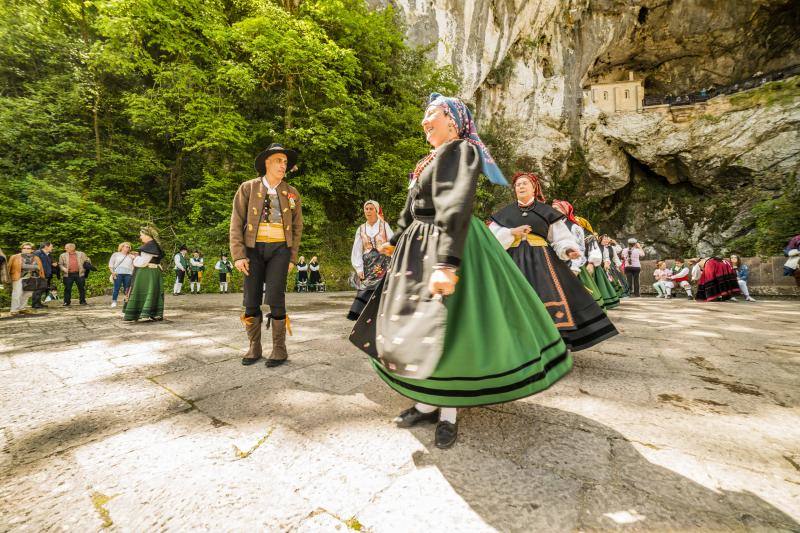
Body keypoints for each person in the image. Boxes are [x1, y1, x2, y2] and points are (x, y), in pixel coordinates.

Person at [350, 93, 572, 449]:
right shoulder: (429, 159)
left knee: (450, 326)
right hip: (420, 244)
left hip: (451, 242)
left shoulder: (461, 151)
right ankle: (426, 401)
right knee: (421, 324)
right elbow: (414, 206)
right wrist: (398, 238)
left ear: (452, 120)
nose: (424, 121)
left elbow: (455, 204)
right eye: (424, 115)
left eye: (432, 115)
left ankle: (449, 410)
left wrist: (447, 263)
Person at [489, 172, 618, 351]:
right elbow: (491, 238)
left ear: (534, 187)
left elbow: (560, 237)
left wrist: (569, 249)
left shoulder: (546, 212)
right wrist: (512, 232)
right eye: (517, 184)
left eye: (525, 183)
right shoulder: (504, 213)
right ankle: (513, 343)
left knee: (548, 294)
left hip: (541, 261)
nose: (520, 186)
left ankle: (549, 342)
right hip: (512, 261)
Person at [230, 143, 303, 368]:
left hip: (280, 249)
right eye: (279, 161)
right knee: (251, 298)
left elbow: (297, 227)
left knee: (275, 296)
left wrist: (292, 257)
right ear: (267, 163)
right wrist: (239, 254)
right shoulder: (248, 188)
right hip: (252, 250)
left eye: (285, 162)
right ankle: (254, 346)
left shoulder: (291, 192)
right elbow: (236, 222)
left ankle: (279, 349)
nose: (284, 165)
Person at [551, 200, 605, 310]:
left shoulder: (574, 227)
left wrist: (575, 267)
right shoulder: (550, 225)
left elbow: (579, 248)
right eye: (552, 208)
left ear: (565, 211)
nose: (552, 211)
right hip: (555, 264)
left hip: (572, 265)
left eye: (556, 209)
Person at [348, 200, 395, 320]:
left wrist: (393, 259)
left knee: (382, 289)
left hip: (384, 262)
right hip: (368, 264)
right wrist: (358, 268)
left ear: (376, 210)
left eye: (371, 209)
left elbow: (393, 244)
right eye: (366, 209)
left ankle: (381, 316)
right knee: (366, 288)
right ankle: (362, 316)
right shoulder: (361, 228)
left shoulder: (384, 225)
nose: (368, 211)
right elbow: (357, 249)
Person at [576, 216, 620, 309]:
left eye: (578, 223)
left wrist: (593, 263)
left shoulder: (590, 237)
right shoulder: (576, 236)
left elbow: (599, 254)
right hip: (580, 264)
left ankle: (595, 304)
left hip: (591, 265)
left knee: (595, 286)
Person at [123, 226, 165, 321]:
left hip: (147, 273)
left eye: (141, 235)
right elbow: (150, 259)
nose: (140, 237)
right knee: (153, 292)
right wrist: (139, 256)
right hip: (153, 272)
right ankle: (153, 313)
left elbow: (143, 262)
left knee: (144, 292)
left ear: (147, 235)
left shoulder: (149, 246)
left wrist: (134, 258)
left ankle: (141, 313)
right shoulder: (154, 245)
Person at [8, 242, 46, 316]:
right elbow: (9, 267)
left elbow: (39, 268)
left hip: (31, 278)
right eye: (24, 248)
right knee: (17, 293)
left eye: (28, 248)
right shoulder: (15, 257)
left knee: (27, 294)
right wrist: (32, 267)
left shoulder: (36, 258)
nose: (26, 250)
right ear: (21, 249)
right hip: (18, 277)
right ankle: (14, 310)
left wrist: (41, 275)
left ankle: (22, 308)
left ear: (32, 250)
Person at [109, 242, 135, 308]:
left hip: (128, 274)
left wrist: (134, 258)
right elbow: (111, 264)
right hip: (118, 273)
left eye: (129, 247)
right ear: (122, 247)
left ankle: (126, 301)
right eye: (126, 246)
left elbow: (134, 265)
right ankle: (114, 301)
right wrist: (113, 273)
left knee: (127, 288)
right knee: (116, 288)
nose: (128, 248)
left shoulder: (131, 256)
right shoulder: (116, 254)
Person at [32, 242, 54, 309]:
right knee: (38, 289)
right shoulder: (37, 253)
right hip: (38, 274)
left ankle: (38, 303)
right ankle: (35, 304)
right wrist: (39, 272)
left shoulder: (48, 254)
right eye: (51, 246)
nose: (52, 248)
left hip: (46, 274)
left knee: (41, 289)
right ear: (46, 247)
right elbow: (34, 264)